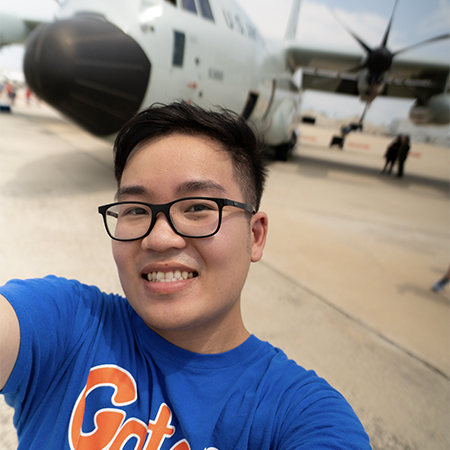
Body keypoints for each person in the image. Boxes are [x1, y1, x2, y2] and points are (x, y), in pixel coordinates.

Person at [0, 102, 371, 449]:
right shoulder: (68, 325)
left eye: (197, 207)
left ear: (255, 236)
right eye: (134, 209)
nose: (158, 238)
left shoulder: (301, 414)